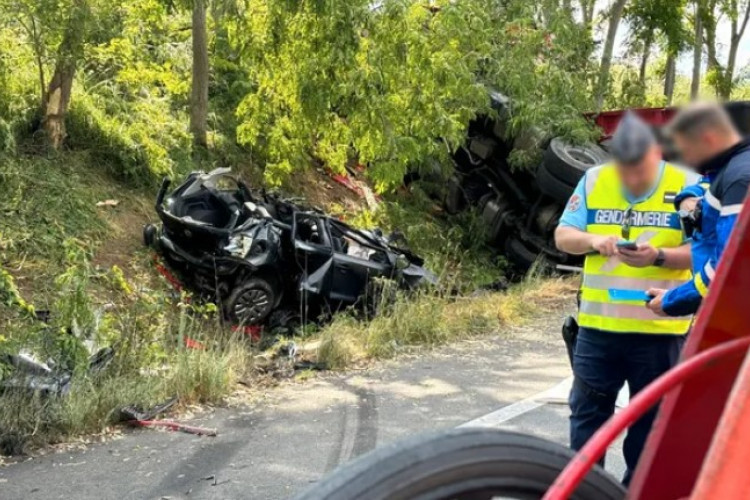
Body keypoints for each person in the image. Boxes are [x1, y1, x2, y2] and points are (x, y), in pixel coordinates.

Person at [554, 112, 699, 485]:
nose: (632, 178)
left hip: (661, 332)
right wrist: (592, 241)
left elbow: (707, 253)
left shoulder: (690, 187)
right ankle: (586, 494)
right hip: (598, 330)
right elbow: (563, 236)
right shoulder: (595, 179)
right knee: (586, 425)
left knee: (650, 431)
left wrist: (659, 256)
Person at [647, 103, 750, 316]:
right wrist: (686, 197)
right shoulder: (732, 168)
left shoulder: (740, 179)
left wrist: (673, 301)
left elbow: (729, 267)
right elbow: (708, 185)